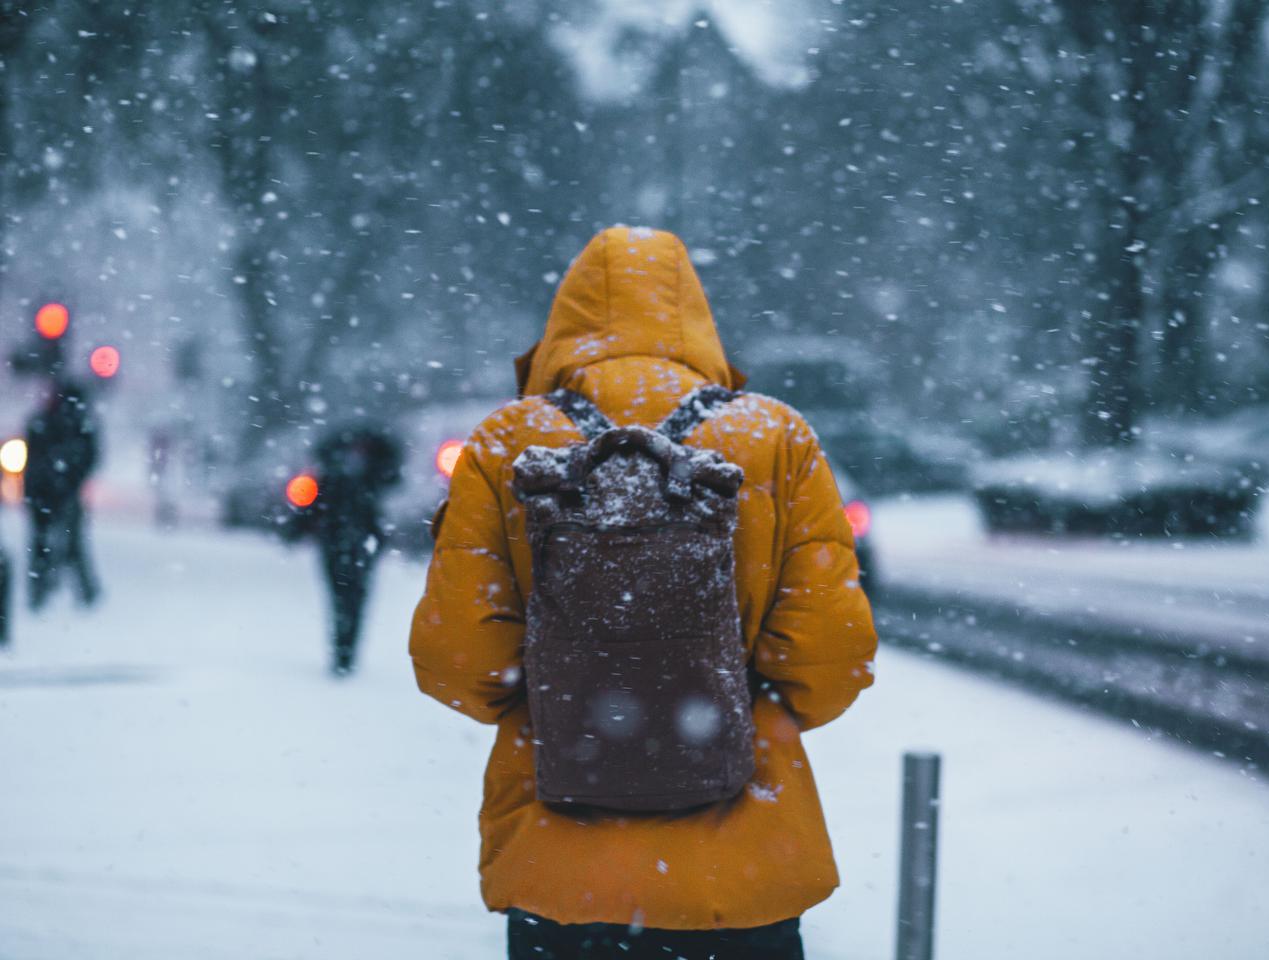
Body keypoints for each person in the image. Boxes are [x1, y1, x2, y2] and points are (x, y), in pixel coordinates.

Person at [409, 226, 878, 959]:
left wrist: (566, 702)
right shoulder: (775, 438)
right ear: (695, 318)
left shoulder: (507, 444)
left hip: (559, 876)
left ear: (563, 324)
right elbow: (831, 656)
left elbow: (456, 659)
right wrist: (727, 709)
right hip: (743, 875)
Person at [286, 425, 402, 676]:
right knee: (347, 598)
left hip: (346, 541)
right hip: (349, 541)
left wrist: (296, 530)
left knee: (347, 598)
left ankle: (344, 651)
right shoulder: (358, 474)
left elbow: (311, 505)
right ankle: (344, 651)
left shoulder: (351, 473)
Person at [24, 380, 101, 610]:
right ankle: (81, 591)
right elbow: (89, 457)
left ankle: (41, 590)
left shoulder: (44, 421)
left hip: (45, 492)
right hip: (56, 492)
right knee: (70, 542)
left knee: (46, 543)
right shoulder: (77, 424)